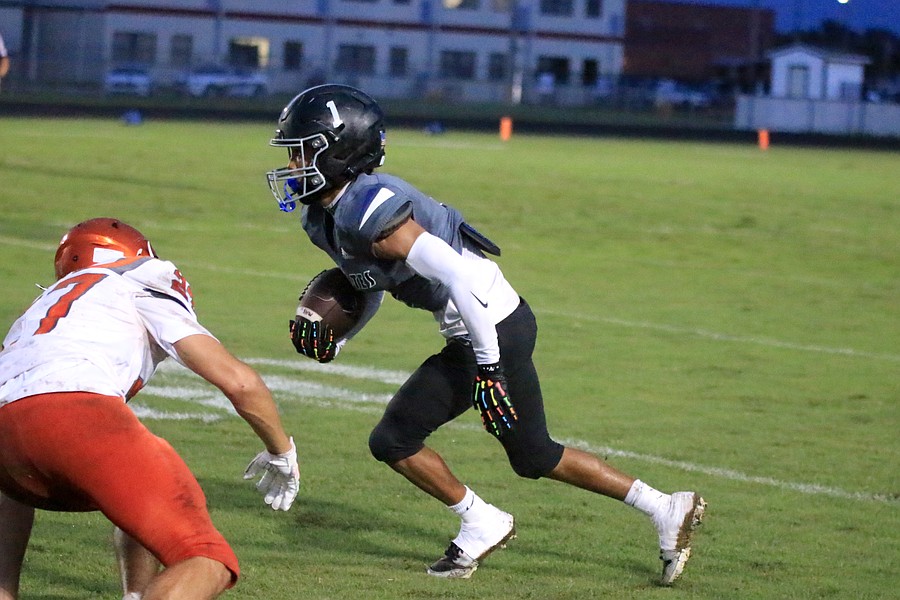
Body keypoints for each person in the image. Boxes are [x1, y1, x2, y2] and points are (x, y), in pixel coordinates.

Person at [264, 84, 706, 584]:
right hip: (492, 327)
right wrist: (341, 339)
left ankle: (483, 522)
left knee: (395, 439)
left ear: (342, 152)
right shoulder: (324, 216)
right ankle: (664, 507)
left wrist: (489, 366)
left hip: (491, 327)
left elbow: (460, 277)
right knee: (533, 455)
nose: (293, 165)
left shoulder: (368, 208)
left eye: (303, 152)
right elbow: (372, 283)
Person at [0, 218, 301, 600]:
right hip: (73, 414)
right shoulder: (136, 279)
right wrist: (281, 450)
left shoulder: (41, 308)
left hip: (8, 445)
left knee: (145, 483)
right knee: (205, 559)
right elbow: (239, 382)